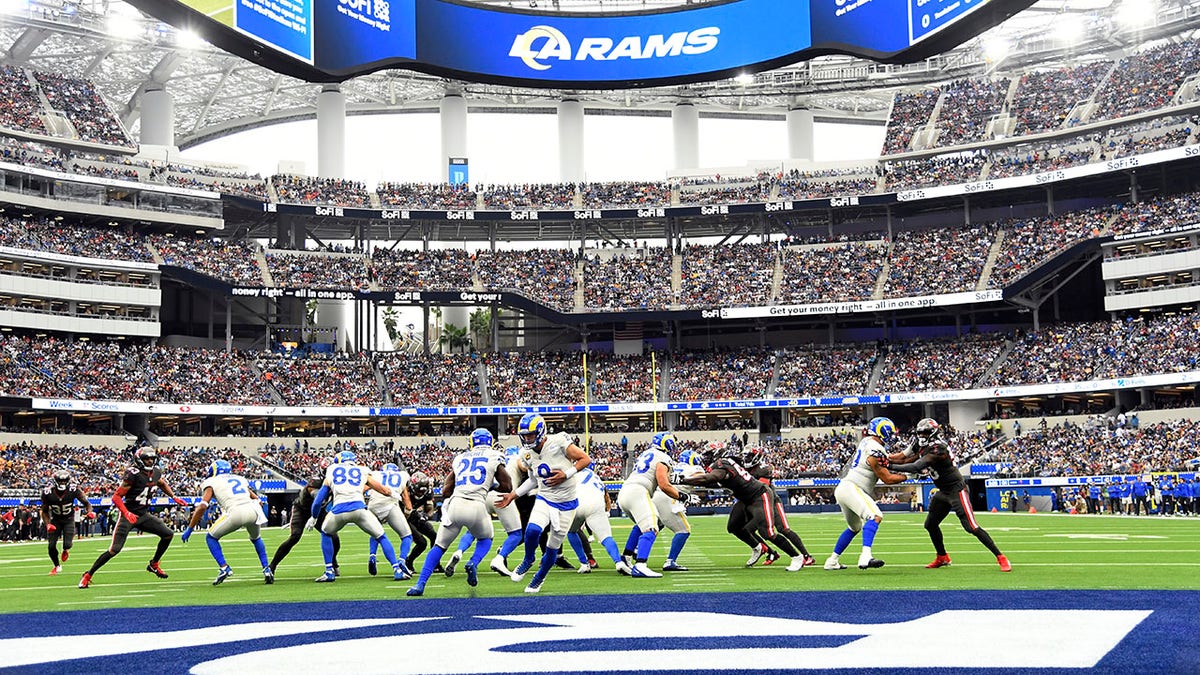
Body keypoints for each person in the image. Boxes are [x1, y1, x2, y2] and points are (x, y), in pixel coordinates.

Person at [887, 418, 1011, 572]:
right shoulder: (921, 444)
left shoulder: (939, 449)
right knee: (930, 525)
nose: (921, 435)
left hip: (956, 490)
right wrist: (886, 457)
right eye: (920, 432)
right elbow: (904, 456)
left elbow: (916, 466)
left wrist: (889, 465)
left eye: (925, 432)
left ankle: (1000, 557)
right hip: (943, 491)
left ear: (933, 433)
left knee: (971, 527)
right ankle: (942, 556)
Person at [495, 413, 593, 593]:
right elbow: (533, 480)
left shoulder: (558, 442)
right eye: (524, 435)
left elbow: (585, 459)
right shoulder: (526, 454)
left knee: (552, 548)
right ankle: (528, 559)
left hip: (566, 503)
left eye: (530, 434)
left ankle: (539, 578)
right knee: (532, 530)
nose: (527, 438)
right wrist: (513, 495)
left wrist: (566, 474)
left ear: (540, 432)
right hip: (545, 497)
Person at [406, 433, 513, 596]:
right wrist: (490, 486)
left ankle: (420, 584)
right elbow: (507, 486)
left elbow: (446, 490)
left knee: (439, 546)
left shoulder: (461, 458)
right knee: (485, 539)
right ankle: (473, 562)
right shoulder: (494, 455)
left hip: (455, 505)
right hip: (477, 505)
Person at [682, 444, 809, 571]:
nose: (705, 457)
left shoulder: (722, 464)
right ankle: (757, 548)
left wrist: (684, 480)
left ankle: (797, 557)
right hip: (746, 499)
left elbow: (710, 478)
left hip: (759, 496)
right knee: (734, 526)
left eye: (708, 454)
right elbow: (714, 481)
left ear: (716, 453)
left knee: (767, 532)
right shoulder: (726, 463)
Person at [79, 446, 189, 589]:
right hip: (128, 515)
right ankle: (88, 575)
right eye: (147, 459)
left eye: (152, 459)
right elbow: (116, 497)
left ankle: (154, 564)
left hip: (143, 515)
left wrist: (174, 497)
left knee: (168, 534)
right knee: (114, 550)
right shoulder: (133, 474)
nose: (150, 461)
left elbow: (161, 483)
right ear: (139, 460)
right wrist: (126, 513)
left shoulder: (156, 472)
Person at [310, 450, 409, 582]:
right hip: (359, 510)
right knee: (381, 536)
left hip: (339, 511)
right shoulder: (362, 470)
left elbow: (318, 501)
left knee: (326, 532)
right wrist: (394, 494)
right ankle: (396, 569)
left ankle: (329, 570)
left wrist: (314, 517)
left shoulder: (332, 470)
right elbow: (383, 490)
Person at [823, 416, 908, 571]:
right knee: (875, 516)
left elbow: (891, 459)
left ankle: (832, 560)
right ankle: (865, 556)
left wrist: (909, 453)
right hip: (853, 488)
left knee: (854, 528)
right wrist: (909, 476)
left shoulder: (868, 443)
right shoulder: (875, 448)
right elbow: (887, 478)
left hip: (845, 488)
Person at [181, 459, 274, 585]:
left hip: (235, 512)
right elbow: (258, 500)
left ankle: (224, 568)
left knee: (211, 537)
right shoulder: (239, 478)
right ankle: (266, 569)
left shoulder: (211, 482)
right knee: (256, 538)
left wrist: (190, 528)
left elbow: (202, 506)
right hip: (254, 510)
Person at [445, 434, 525, 579]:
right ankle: (499, 558)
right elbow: (521, 471)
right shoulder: (511, 458)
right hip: (502, 495)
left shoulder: (486, 456)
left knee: (473, 531)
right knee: (516, 533)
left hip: (483, 494)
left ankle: (459, 551)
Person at [616, 432, 686, 578]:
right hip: (638, 491)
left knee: (642, 526)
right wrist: (682, 496)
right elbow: (664, 484)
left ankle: (626, 558)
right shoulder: (663, 457)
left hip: (625, 492)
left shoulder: (647, 453)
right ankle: (641, 564)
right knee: (651, 528)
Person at [269, 457, 341, 575]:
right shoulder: (316, 481)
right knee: (294, 537)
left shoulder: (338, 480)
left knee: (335, 539)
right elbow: (318, 499)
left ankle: (332, 561)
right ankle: (272, 566)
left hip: (319, 511)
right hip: (302, 510)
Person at [568, 466, 633, 575]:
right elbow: (605, 495)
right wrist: (607, 510)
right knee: (606, 537)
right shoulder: (596, 477)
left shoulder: (572, 472)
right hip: (595, 504)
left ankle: (584, 563)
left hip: (576, 503)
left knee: (571, 531)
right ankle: (618, 562)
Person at [649, 447, 706, 571]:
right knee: (684, 530)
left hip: (656, 495)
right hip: (669, 498)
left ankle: (634, 550)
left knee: (654, 526)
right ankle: (670, 561)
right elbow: (702, 478)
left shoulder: (673, 466)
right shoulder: (693, 468)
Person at [39, 469, 94, 576]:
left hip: (68, 519)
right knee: (51, 546)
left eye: (64, 481)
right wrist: (48, 524)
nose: (62, 483)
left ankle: (66, 549)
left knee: (67, 544)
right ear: (55, 481)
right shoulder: (47, 493)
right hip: (55, 520)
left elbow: (87, 504)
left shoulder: (73, 490)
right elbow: (44, 511)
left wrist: (90, 512)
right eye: (60, 481)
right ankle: (57, 566)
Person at [366, 462, 414, 576]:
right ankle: (402, 560)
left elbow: (364, 488)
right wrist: (406, 515)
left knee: (376, 533)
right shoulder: (402, 475)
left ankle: (372, 555)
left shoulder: (375, 474)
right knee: (407, 536)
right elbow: (408, 504)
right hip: (390, 506)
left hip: (373, 505)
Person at [404, 472, 440, 572]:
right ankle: (408, 562)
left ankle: (435, 564)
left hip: (414, 514)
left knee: (434, 536)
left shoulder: (428, 492)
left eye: (422, 491)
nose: (420, 494)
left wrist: (426, 516)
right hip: (403, 516)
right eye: (418, 491)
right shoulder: (405, 490)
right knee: (421, 543)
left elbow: (430, 508)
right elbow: (405, 512)